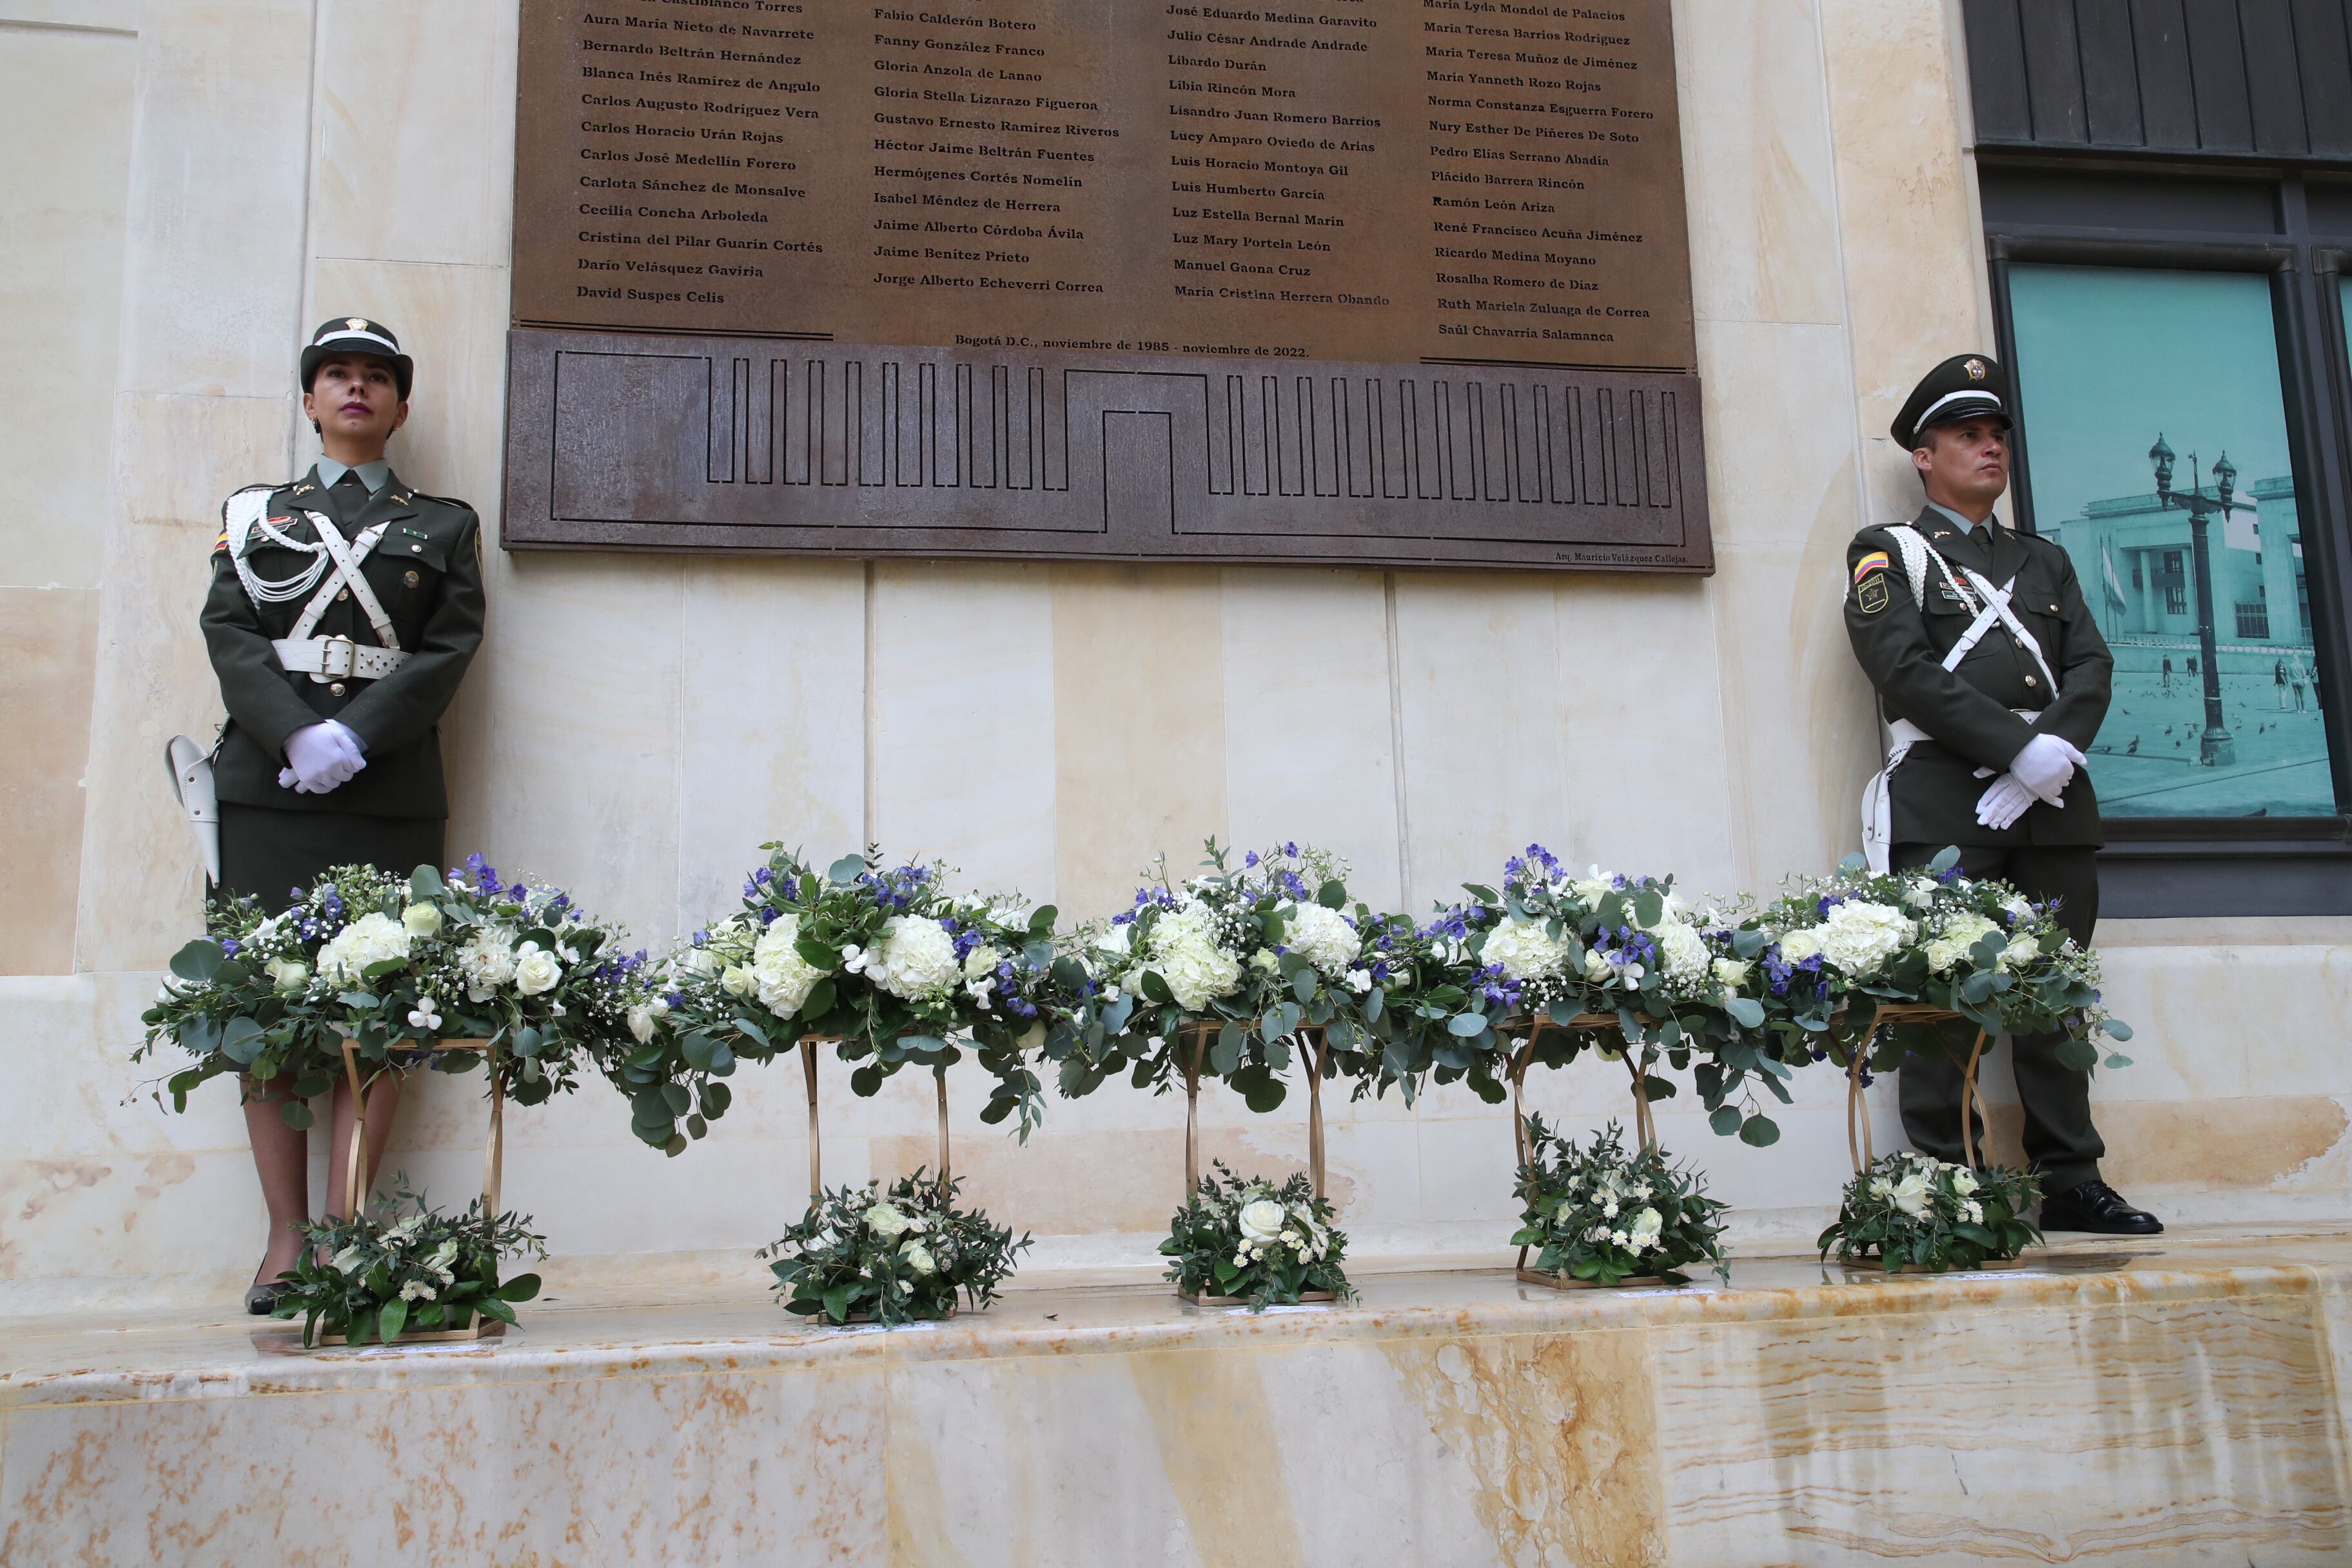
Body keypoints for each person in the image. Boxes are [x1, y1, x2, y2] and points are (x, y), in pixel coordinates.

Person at [200, 318, 487, 1309]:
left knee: (385, 1009)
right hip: (267, 791)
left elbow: (449, 646)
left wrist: (356, 736)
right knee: (265, 1009)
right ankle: (286, 1239)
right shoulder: (256, 517)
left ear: (400, 407)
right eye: (337, 374)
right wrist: (293, 734)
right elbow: (230, 632)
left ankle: (346, 1231)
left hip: (387, 791)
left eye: (375, 377)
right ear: (310, 400)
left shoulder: (442, 525)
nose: (356, 388)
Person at [1845, 353, 2160, 1236]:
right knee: (1943, 1000)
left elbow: (2091, 663)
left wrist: (2048, 757)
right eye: (1968, 436)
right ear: (1924, 456)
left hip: (2055, 805)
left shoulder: (2043, 559)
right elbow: (1902, 669)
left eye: (1997, 436)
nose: (1990, 449)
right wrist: (2017, 750)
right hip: (1947, 804)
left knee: (2055, 999)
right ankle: (1951, 1184)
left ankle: (2071, 1178)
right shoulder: (1890, 553)